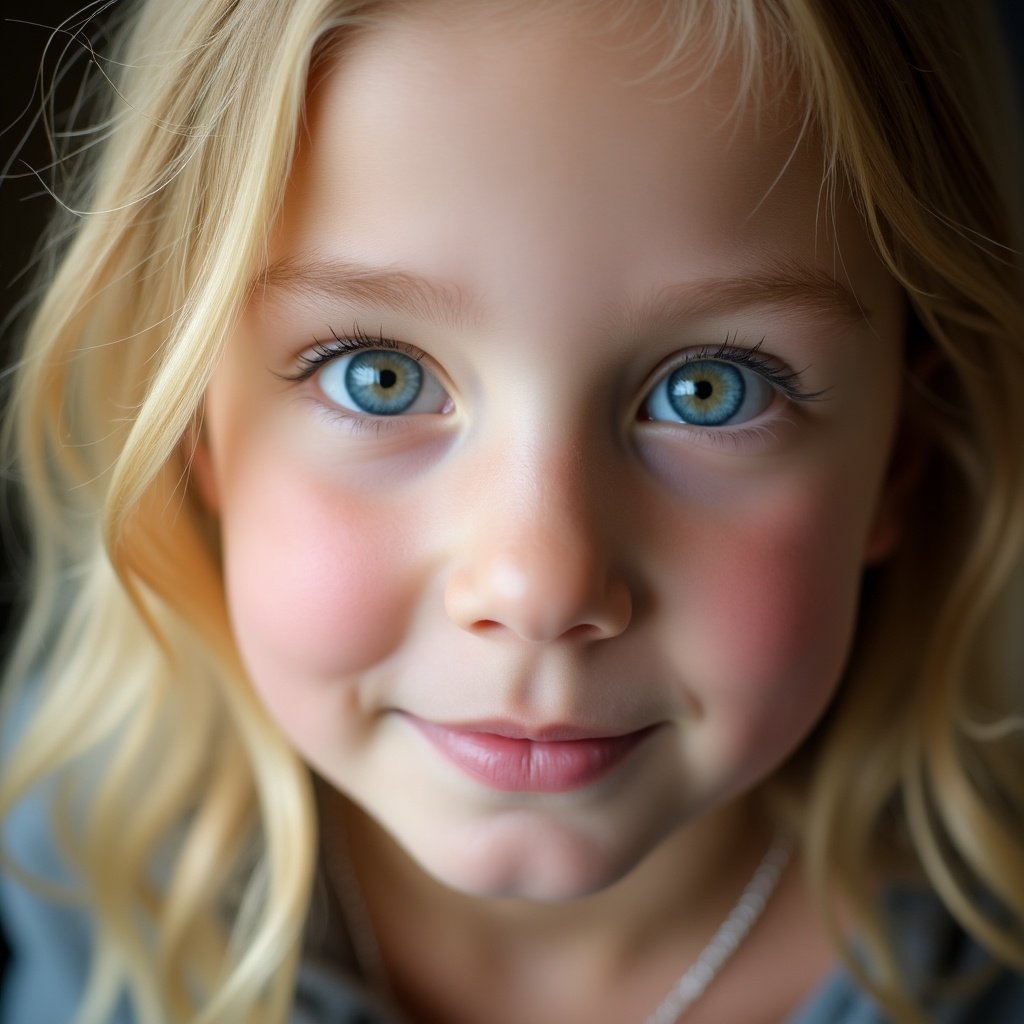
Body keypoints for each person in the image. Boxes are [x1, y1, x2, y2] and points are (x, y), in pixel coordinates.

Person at [2, 0, 1023, 1021]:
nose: (540, 587)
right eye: (379, 378)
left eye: (710, 388)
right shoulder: (86, 854)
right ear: (192, 422)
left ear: (898, 454)